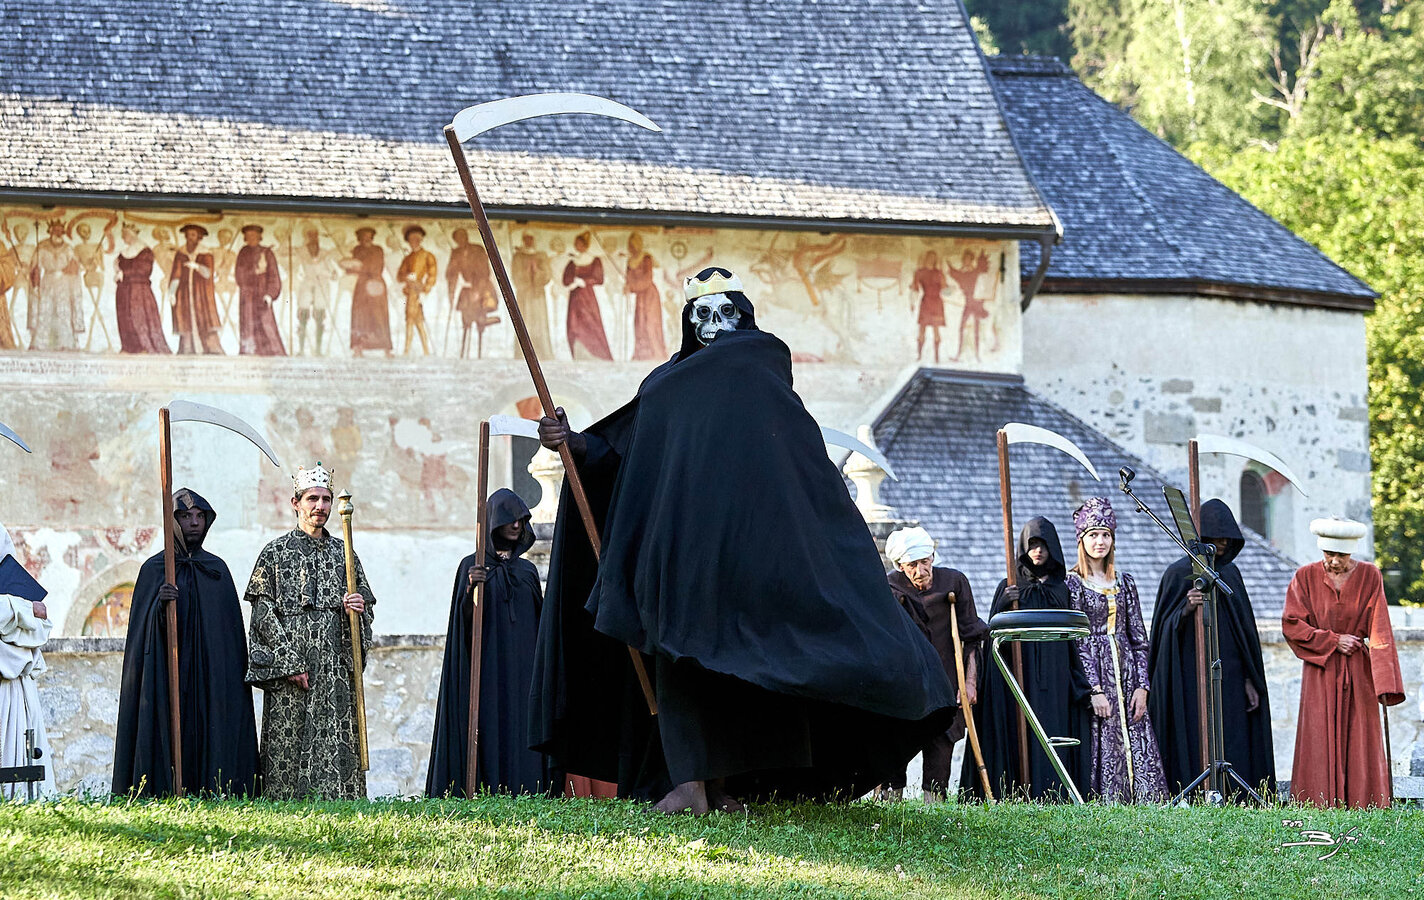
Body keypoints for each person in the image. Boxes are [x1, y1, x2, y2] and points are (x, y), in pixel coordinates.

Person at [532, 267, 955, 814]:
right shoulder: (666, 384)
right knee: (682, 659)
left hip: (747, 549)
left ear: (745, 317)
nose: (715, 327)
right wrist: (577, 447)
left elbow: (797, 464)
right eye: (701, 317)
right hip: (680, 554)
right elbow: (630, 457)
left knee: (739, 665)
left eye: (726, 313)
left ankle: (728, 785)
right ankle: (690, 783)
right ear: (687, 325)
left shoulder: (759, 368)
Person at [113, 489, 259, 797]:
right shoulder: (154, 570)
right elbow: (141, 639)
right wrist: (159, 608)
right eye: (185, 516)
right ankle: (163, 791)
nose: (194, 522)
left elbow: (229, 640)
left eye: (199, 517)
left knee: (211, 728)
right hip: (167, 675)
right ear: (172, 521)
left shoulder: (216, 570)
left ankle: (216, 789)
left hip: (209, 680)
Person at [244, 463, 374, 800]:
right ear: (296, 503)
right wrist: (289, 664)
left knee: (335, 741)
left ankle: (341, 805)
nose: (321, 506)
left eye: (326, 499)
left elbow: (366, 615)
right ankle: (284, 807)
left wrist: (356, 610)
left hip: (333, 671)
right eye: (313, 498)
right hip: (292, 672)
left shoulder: (344, 554)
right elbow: (262, 614)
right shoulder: (275, 553)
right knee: (289, 741)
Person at [427, 489, 551, 797]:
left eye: (521, 519)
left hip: (523, 667)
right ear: (493, 521)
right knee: (488, 722)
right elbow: (461, 624)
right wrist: (471, 590)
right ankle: (484, 787)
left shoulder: (527, 571)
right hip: (487, 665)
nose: (517, 525)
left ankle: (529, 788)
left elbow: (540, 620)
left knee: (522, 723)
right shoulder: (471, 566)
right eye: (510, 518)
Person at [1148, 499, 1275, 798]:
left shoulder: (1230, 576)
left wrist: (1248, 679)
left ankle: (1235, 792)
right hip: (1189, 678)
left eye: (1224, 540)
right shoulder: (1177, 574)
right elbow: (1162, 633)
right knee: (1194, 734)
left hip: (1229, 677)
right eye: (1213, 539)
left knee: (1233, 734)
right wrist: (1185, 609)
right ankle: (1193, 790)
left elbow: (1244, 635)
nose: (1219, 545)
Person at [961, 517, 1092, 802]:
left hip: (1054, 675)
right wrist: (1004, 602)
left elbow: (1072, 638)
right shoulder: (1010, 585)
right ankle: (1017, 790)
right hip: (1017, 675)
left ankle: (1053, 791)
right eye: (1032, 544)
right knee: (1019, 726)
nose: (1037, 551)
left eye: (1043, 545)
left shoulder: (1062, 588)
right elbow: (993, 632)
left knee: (1051, 726)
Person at [1283, 517, 1405, 808]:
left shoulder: (1371, 576)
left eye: (1341, 555)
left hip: (1357, 669)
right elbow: (1291, 623)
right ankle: (1317, 802)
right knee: (1318, 734)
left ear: (1351, 553)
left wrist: (1386, 682)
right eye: (1329, 554)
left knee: (1360, 734)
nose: (1334, 561)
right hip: (1320, 669)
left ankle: (1364, 801)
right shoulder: (1304, 576)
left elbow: (1380, 629)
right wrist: (1332, 640)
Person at [1065, 497, 1168, 803]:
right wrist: (1094, 688)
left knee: (1137, 730)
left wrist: (1142, 685)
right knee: (1104, 737)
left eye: (1106, 534)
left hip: (1126, 672)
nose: (1100, 541)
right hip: (1096, 672)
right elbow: (1078, 641)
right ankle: (1109, 801)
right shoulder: (1073, 584)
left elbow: (1139, 638)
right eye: (1093, 535)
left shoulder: (1125, 582)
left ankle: (1147, 800)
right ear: (1082, 539)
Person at [883, 525, 987, 802]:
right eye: (912, 565)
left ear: (933, 557)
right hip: (906, 684)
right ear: (900, 565)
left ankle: (934, 810)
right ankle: (890, 808)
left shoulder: (954, 582)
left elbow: (972, 637)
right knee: (894, 747)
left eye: (925, 562)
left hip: (946, 684)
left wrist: (970, 682)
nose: (920, 571)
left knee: (941, 749)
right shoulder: (888, 586)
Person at [0, 523, 55, 799]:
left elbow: (41, 624)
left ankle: (19, 798)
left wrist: (24, 609)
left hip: (13, 683)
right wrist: (24, 609)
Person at [113, 223, 170, 354]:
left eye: (124, 235)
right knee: (125, 317)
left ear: (131, 235)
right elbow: (120, 266)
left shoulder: (144, 251)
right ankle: (129, 347)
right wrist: (116, 269)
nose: (123, 238)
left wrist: (124, 273)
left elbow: (144, 270)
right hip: (124, 290)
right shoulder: (124, 253)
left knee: (139, 317)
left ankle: (144, 346)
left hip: (139, 290)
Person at [28, 219, 84, 350]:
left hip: (63, 282)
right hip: (47, 280)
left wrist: (66, 270)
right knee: (44, 310)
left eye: (60, 231)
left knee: (64, 311)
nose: (58, 234)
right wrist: (35, 283)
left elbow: (75, 267)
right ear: (50, 231)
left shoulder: (68, 249)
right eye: (55, 231)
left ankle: (66, 343)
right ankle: (40, 343)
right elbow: (35, 267)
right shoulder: (42, 247)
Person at [168, 223, 223, 354]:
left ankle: (211, 348)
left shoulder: (206, 253)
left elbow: (209, 273)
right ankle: (187, 349)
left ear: (199, 237)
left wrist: (197, 266)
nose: (189, 238)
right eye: (187, 235)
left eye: (193, 235)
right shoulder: (181, 253)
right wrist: (172, 292)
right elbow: (176, 273)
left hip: (201, 294)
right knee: (185, 318)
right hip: (185, 293)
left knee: (205, 318)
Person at [234, 224, 285, 356]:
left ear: (259, 237)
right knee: (248, 322)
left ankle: (273, 351)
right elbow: (239, 275)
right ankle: (249, 350)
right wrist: (254, 272)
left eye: (254, 236)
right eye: (249, 236)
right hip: (247, 294)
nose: (251, 239)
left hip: (263, 292)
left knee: (265, 321)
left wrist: (270, 294)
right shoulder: (243, 252)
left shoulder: (267, 253)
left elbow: (274, 275)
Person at [562, 231, 612, 360]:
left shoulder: (594, 260)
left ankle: (597, 355)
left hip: (587, 297)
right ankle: (579, 355)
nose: (578, 247)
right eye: (576, 244)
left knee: (591, 323)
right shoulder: (573, 261)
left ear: (585, 245)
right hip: (575, 297)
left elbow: (599, 279)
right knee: (574, 324)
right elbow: (565, 279)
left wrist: (584, 281)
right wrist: (572, 281)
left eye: (580, 244)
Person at [345, 227, 392, 357]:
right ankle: (358, 347)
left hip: (375, 283)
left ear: (372, 238)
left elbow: (375, 266)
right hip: (361, 285)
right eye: (363, 237)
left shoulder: (378, 250)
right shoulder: (357, 250)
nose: (366, 239)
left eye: (368, 237)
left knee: (379, 315)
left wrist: (358, 267)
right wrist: (350, 267)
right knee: (359, 315)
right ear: (359, 239)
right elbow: (355, 266)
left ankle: (386, 348)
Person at [396, 225, 436, 356]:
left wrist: (425, 290)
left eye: (416, 239)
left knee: (417, 322)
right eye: (411, 240)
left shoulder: (427, 256)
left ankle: (423, 350)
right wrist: (407, 277)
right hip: (410, 293)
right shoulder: (408, 258)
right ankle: (410, 350)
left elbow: (432, 274)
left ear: (420, 240)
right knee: (412, 321)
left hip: (421, 293)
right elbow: (399, 276)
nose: (414, 242)